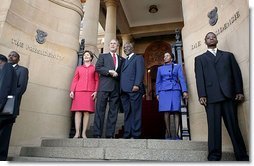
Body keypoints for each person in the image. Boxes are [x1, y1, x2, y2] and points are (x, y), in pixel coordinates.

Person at [194, 32, 249, 161]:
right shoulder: (200, 59)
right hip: (211, 98)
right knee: (213, 128)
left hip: (229, 96)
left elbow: (236, 74)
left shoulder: (228, 56)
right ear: (205, 41)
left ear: (217, 40)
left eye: (213, 36)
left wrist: (239, 91)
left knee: (233, 126)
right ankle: (214, 156)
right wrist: (202, 94)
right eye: (208, 37)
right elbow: (199, 79)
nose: (211, 38)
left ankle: (241, 155)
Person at [93, 39, 124, 138]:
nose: (112, 45)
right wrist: (109, 71)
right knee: (99, 111)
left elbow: (122, 74)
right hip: (104, 87)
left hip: (116, 88)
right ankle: (97, 134)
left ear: (118, 46)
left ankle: (109, 135)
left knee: (113, 112)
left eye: (115, 43)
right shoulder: (103, 56)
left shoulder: (121, 59)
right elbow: (97, 68)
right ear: (109, 45)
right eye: (111, 43)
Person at [156, 52, 188, 140]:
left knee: (176, 111)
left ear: (171, 58)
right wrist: (157, 93)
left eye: (167, 56)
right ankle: (169, 133)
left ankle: (177, 134)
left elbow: (181, 79)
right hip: (164, 91)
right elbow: (158, 82)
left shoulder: (177, 67)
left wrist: (184, 91)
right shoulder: (160, 68)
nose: (165, 57)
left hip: (175, 90)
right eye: (164, 56)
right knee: (166, 111)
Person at [70, 50, 99, 138]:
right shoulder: (79, 68)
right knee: (78, 112)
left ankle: (83, 133)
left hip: (89, 92)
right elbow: (75, 80)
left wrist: (96, 91)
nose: (86, 56)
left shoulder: (94, 68)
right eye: (84, 55)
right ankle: (77, 133)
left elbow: (97, 80)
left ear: (91, 58)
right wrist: (72, 90)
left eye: (88, 55)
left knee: (86, 112)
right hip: (79, 91)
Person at [120, 43, 145, 139]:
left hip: (134, 89)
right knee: (127, 113)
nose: (126, 49)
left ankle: (136, 134)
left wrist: (137, 84)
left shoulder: (138, 58)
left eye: (128, 47)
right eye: (124, 48)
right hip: (124, 91)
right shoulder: (125, 60)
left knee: (135, 112)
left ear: (132, 48)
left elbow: (140, 71)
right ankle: (127, 134)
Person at [0, 54, 17, 161]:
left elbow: (4, 88)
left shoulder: (7, 68)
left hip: (3, 111)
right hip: (6, 111)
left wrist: (0, 105)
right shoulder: (9, 68)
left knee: (2, 139)